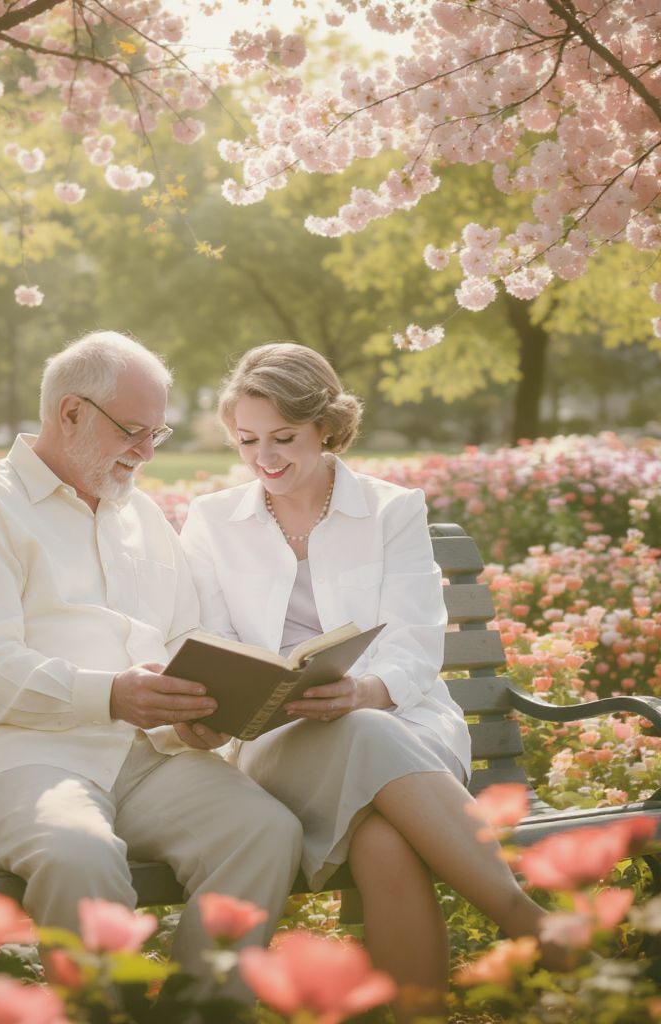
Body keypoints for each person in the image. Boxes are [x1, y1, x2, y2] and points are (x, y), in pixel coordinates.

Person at [0, 331, 302, 995]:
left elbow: (182, 636)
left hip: (144, 760)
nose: (146, 452)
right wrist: (112, 696)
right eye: (132, 431)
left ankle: (201, 1012)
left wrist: (199, 711)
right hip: (15, 760)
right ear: (71, 412)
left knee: (264, 832)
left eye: (156, 434)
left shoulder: (141, 514)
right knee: (80, 855)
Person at [179, 342, 561, 1016]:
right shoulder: (212, 522)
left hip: (405, 725)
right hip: (279, 746)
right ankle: (528, 922)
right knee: (361, 738)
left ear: (327, 426)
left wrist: (363, 692)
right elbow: (211, 642)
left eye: (284, 438)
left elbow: (415, 643)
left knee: (383, 837)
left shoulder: (391, 509)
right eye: (247, 440)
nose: (264, 457)